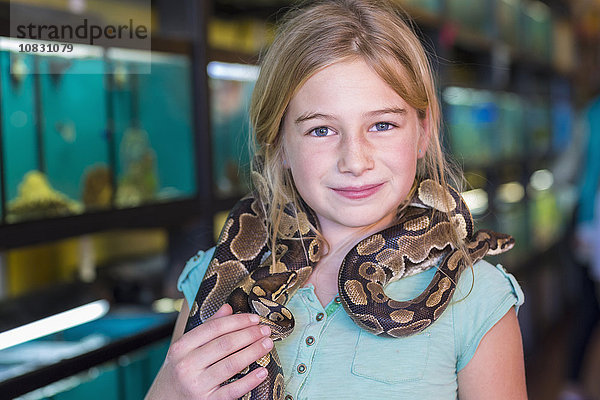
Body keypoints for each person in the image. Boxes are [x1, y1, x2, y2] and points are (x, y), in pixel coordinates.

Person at [146, 0, 527, 398]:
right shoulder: (211, 278)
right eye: (321, 130)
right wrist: (170, 391)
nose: (354, 161)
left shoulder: (477, 296)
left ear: (423, 131)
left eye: (382, 125)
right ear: (278, 146)